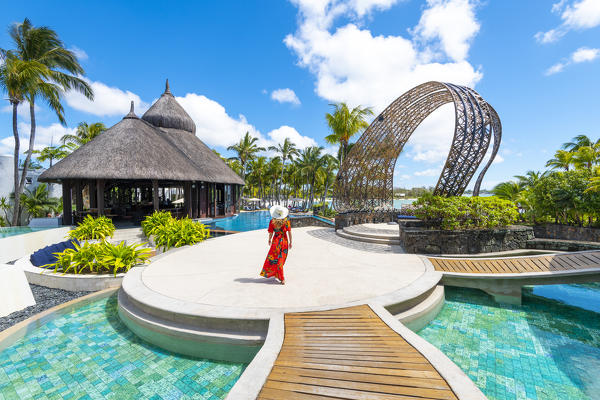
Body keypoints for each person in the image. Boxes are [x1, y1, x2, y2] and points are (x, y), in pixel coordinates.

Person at [260, 205, 292, 284]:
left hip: (275, 242)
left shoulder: (272, 222)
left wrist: (269, 239)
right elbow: (289, 232)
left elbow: (271, 232)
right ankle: (282, 278)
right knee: (281, 259)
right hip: (284, 241)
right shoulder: (286, 221)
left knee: (275, 259)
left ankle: (278, 274)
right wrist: (291, 242)